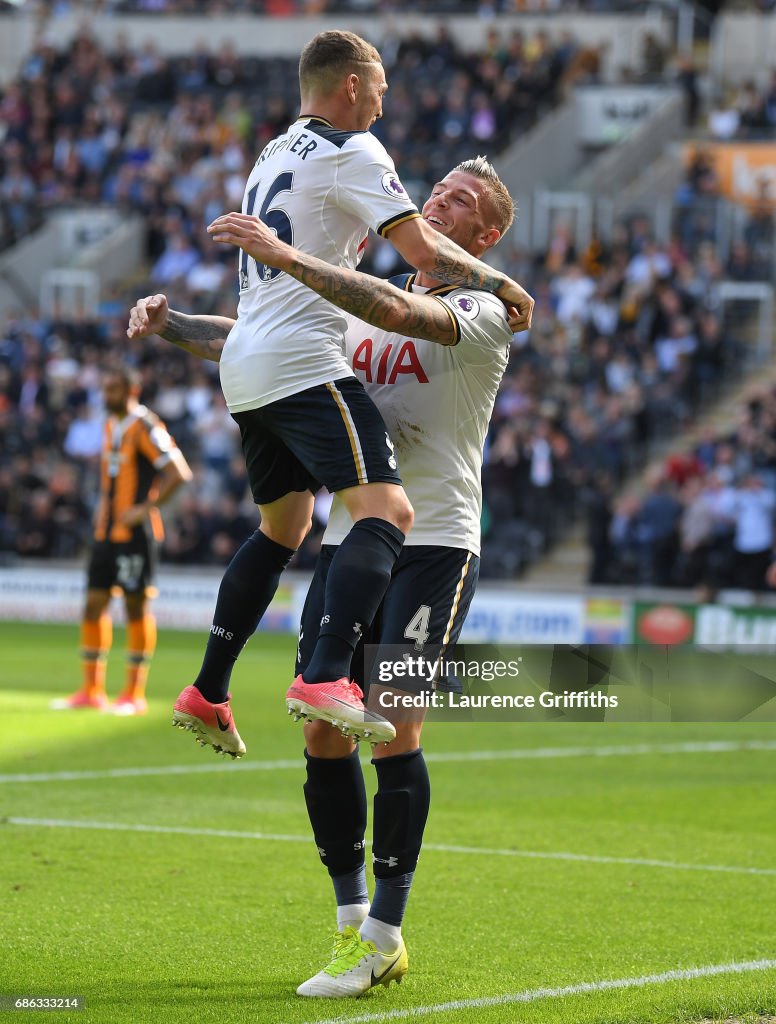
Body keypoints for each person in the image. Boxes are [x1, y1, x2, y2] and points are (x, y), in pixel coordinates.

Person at [129, 155, 516, 997]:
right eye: (437, 188)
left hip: (438, 546)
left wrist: (286, 254)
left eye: (462, 200)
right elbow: (264, 343)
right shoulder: (360, 291)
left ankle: (385, 932)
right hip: (354, 544)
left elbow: (392, 308)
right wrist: (173, 325)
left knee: (392, 720)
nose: (438, 199)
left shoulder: (485, 306)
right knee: (321, 730)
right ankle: (351, 927)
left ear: (484, 237)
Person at [130, 29, 533, 759]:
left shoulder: (273, 151)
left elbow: (314, 307)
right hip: (297, 358)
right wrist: (505, 284)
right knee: (389, 508)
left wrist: (174, 325)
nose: (383, 107)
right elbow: (409, 265)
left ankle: (209, 688)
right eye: (378, 89)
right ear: (351, 85)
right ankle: (324, 676)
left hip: (251, 359)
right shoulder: (356, 151)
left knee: (283, 529)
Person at [51, 367, 192, 714]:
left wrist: (145, 509)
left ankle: (133, 693)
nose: (107, 395)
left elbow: (179, 472)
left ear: (132, 389)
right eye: (105, 389)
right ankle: (91, 689)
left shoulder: (145, 426)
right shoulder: (110, 423)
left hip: (134, 535)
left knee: (134, 607)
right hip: (105, 532)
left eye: (113, 389)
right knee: (93, 605)